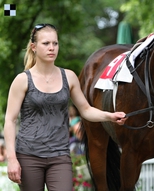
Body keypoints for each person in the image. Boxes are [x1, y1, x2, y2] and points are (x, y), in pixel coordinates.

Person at [3, 23, 127, 191]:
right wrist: (12, 159)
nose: (51, 48)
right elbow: (10, 121)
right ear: (34, 47)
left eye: (55, 43)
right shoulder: (22, 80)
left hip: (59, 156)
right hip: (29, 156)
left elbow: (86, 110)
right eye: (46, 43)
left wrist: (109, 116)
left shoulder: (68, 77)